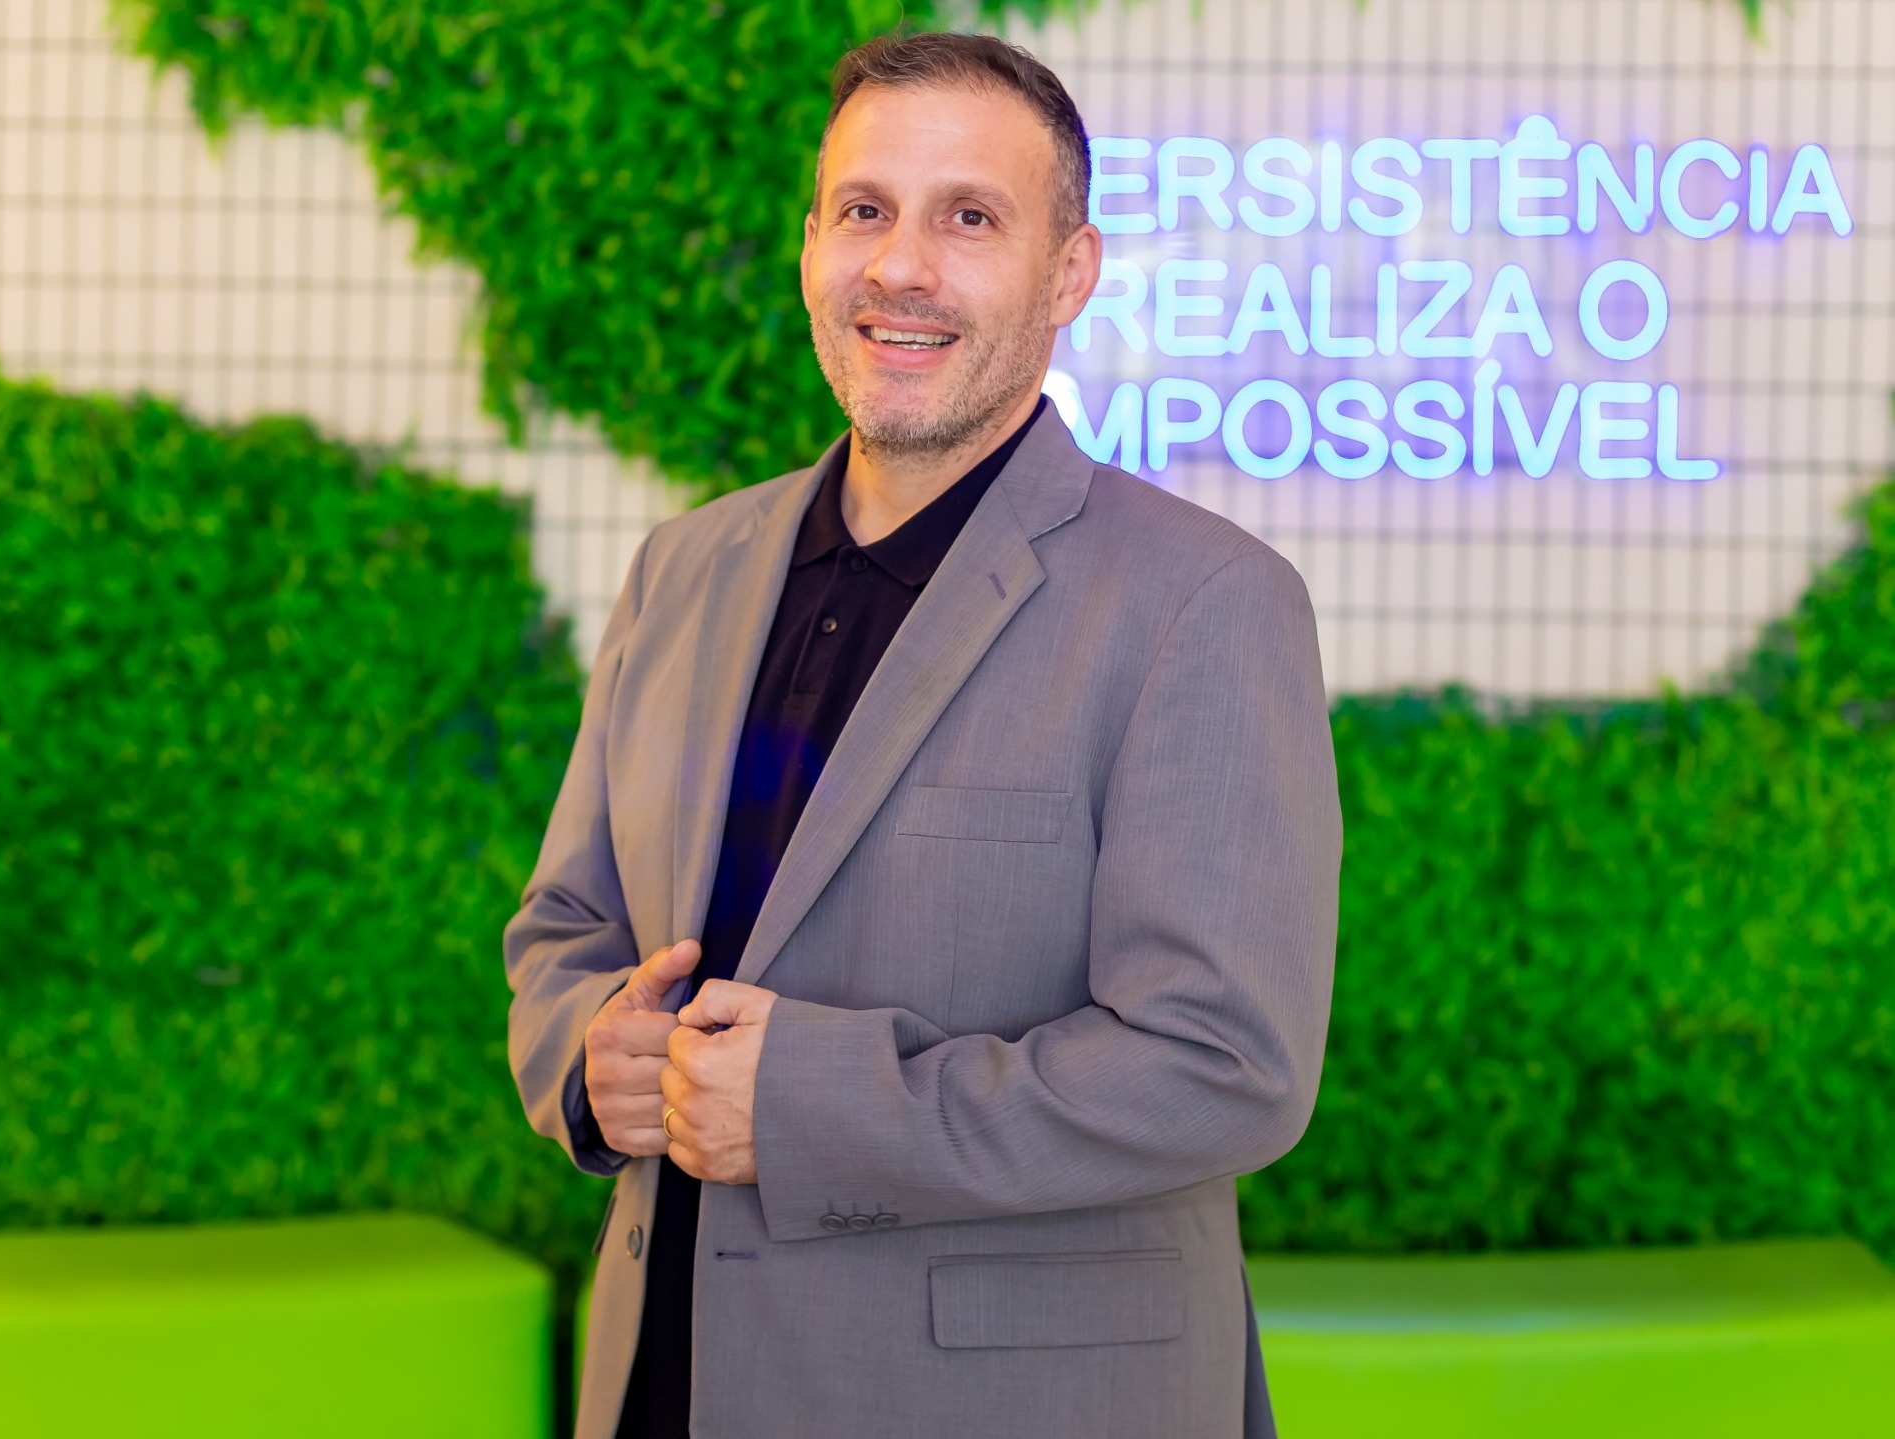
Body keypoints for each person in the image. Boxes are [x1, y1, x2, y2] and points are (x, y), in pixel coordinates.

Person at [504, 29, 1340, 1439]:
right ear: (809, 248)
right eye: (863, 210)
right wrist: (591, 1056)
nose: (900, 266)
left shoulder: (1203, 603)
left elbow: (1223, 1067)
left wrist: (812, 1104)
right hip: (662, 1384)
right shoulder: (683, 569)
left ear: (1068, 273)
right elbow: (566, 924)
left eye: (969, 218)